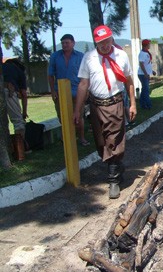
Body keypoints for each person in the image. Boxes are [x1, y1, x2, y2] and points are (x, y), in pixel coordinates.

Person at [73, 25, 136, 199]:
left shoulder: (121, 55)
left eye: (107, 40)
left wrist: (132, 104)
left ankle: (113, 180)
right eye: (101, 42)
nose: (105, 45)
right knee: (101, 143)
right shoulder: (89, 58)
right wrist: (77, 111)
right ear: (96, 42)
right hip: (96, 106)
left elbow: (129, 81)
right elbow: (83, 85)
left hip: (115, 103)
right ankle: (116, 165)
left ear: (111, 38)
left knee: (113, 140)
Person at [48, 34, 89, 146]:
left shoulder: (80, 56)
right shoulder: (55, 56)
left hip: (77, 91)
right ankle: (68, 139)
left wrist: (86, 91)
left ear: (73, 43)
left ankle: (81, 138)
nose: (65, 45)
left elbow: (86, 76)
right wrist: (52, 91)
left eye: (67, 43)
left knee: (79, 116)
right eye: (63, 43)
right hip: (60, 92)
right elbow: (50, 75)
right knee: (63, 117)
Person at [2, 58, 28, 150]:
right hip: (8, 91)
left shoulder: (3, 66)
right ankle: (19, 150)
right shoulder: (19, 71)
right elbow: (24, 95)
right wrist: (24, 113)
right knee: (18, 122)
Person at [138, 39, 156, 110]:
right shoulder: (142, 53)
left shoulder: (146, 53)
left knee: (144, 90)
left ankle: (142, 104)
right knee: (146, 90)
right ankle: (148, 105)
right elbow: (141, 64)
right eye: (149, 44)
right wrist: (145, 74)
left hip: (145, 74)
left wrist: (152, 71)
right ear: (146, 45)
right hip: (142, 74)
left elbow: (147, 64)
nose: (150, 45)